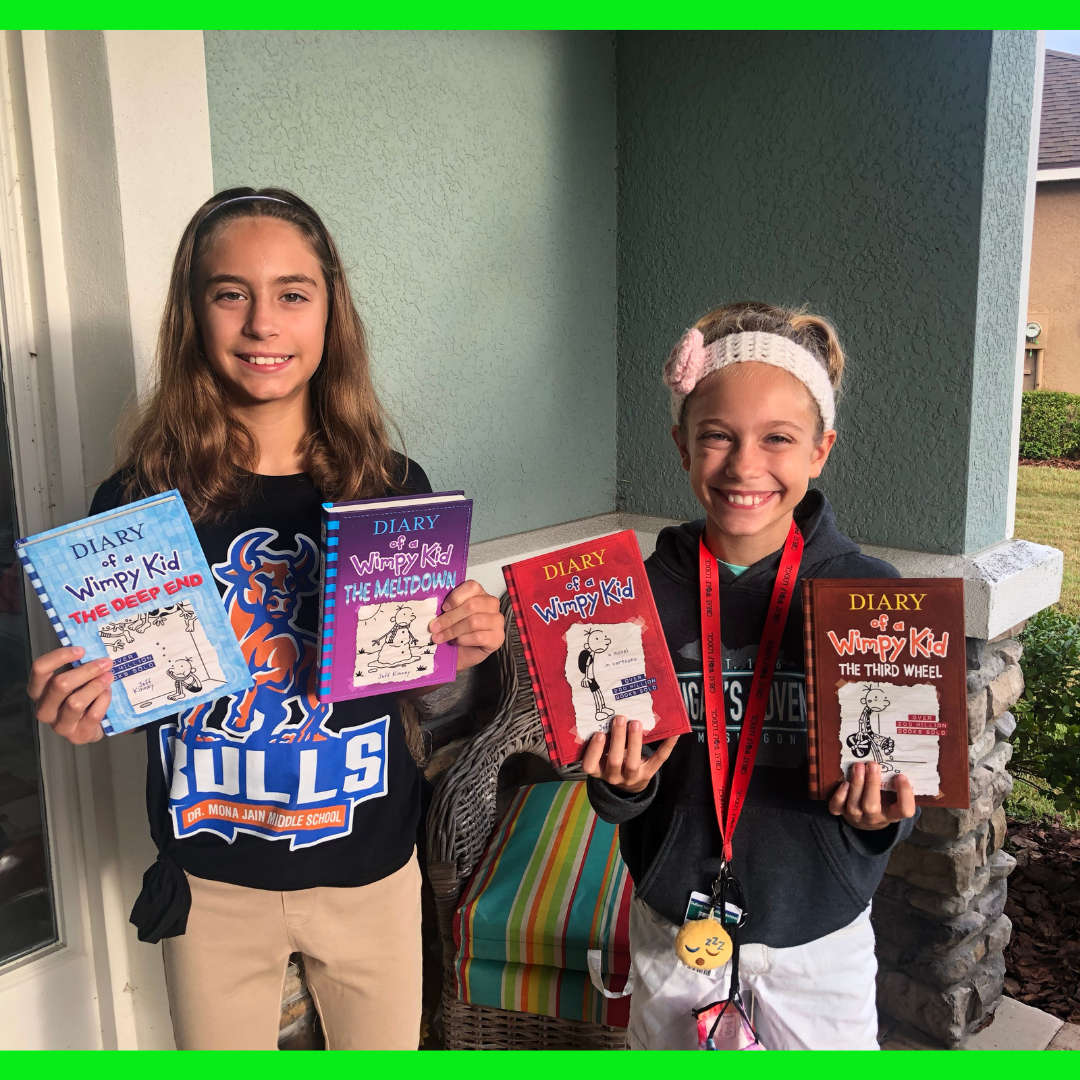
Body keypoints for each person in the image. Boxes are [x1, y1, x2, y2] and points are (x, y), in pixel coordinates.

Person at [26, 188, 505, 1050]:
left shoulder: (390, 487)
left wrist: (466, 636)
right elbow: (128, 689)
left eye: (292, 293)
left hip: (370, 871)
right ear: (192, 315)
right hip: (212, 883)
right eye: (228, 293)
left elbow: (415, 682)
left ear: (331, 314)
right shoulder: (135, 504)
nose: (261, 323)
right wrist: (85, 703)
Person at [583, 300, 918, 1051]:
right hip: (676, 933)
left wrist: (880, 818)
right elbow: (617, 794)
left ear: (820, 450)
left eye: (778, 439)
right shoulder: (634, 601)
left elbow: (902, 780)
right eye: (717, 438)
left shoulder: (871, 596)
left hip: (817, 941)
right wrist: (619, 786)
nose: (744, 466)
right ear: (681, 446)